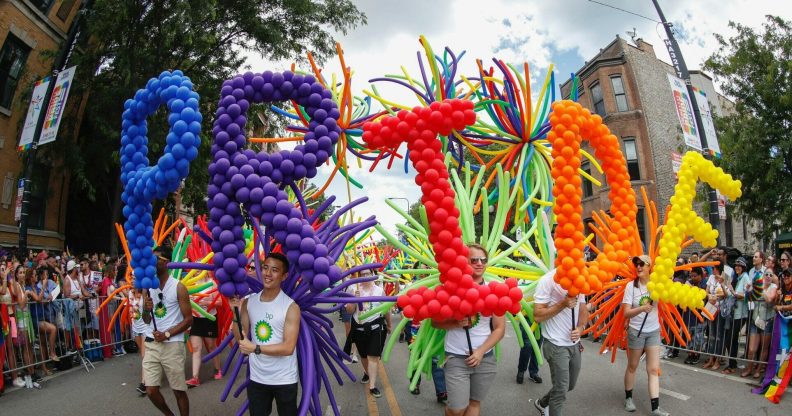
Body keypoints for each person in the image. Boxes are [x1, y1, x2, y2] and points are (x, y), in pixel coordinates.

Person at [432, 244, 504, 416]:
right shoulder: (451, 290)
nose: (479, 263)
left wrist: (480, 352)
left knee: (474, 403)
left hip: (484, 358)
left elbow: (499, 328)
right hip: (456, 357)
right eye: (474, 260)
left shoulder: (494, 291)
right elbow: (435, 322)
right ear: (464, 262)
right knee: (456, 409)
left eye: (483, 260)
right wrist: (456, 323)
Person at [229, 253, 300, 416]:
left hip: (284, 379)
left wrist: (255, 348)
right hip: (257, 379)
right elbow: (241, 337)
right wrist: (235, 312)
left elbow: (288, 347)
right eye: (265, 268)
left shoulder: (290, 307)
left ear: (284, 276)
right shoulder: (249, 302)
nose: (268, 274)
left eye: (274, 270)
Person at [142, 248, 193, 416]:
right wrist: (145, 309)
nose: (152, 261)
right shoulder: (147, 288)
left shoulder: (178, 287)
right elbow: (146, 320)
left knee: (178, 390)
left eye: (156, 258)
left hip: (173, 344)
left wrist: (167, 334)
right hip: (151, 343)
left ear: (166, 262)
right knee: (151, 390)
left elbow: (188, 320)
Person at [532, 267, 587, 416]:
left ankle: (542, 403)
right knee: (561, 391)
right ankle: (549, 410)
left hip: (574, 345)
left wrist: (581, 328)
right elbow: (537, 315)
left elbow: (583, 309)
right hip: (555, 345)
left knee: (569, 385)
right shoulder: (548, 280)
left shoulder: (579, 278)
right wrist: (562, 304)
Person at [621, 255, 668, 416]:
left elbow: (669, 295)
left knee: (653, 369)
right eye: (636, 264)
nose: (638, 267)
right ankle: (628, 398)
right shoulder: (630, 287)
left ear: (650, 267)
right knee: (633, 366)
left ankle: (655, 408)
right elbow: (626, 313)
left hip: (653, 331)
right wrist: (642, 309)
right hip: (636, 332)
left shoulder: (656, 285)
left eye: (642, 264)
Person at [344, 267, 392, 398]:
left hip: (375, 327)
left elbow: (386, 308)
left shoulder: (379, 290)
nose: (365, 276)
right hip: (359, 329)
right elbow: (348, 311)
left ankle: (372, 386)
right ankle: (367, 372)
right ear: (359, 276)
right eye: (363, 274)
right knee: (364, 356)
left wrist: (389, 324)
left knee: (373, 356)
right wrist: (354, 299)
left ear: (373, 275)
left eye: (368, 274)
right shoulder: (354, 289)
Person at [185, 274, 222, 387]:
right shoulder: (191, 284)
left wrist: (207, 303)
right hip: (195, 319)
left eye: (200, 269)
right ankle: (195, 378)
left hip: (209, 319)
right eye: (196, 270)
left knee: (211, 346)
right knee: (196, 348)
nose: (197, 272)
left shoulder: (211, 283)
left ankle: (217, 369)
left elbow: (219, 302)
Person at [743, 265, 777, 378]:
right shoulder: (758, 285)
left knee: (763, 348)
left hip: (767, 321)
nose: (767, 276)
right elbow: (749, 298)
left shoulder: (774, 287)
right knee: (752, 349)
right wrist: (748, 290)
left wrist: (760, 288)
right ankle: (749, 368)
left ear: (772, 278)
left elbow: (769, 299)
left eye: (770, 275)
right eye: (766, 274)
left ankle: (758, 369)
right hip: (755, 320)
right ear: (763, 275)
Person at [63, 260, 91, 352]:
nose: (79, 269)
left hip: (81, 308)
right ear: (73, 269)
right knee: (75, 330)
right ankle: (75, 349)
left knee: (81, 328)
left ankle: (80, 349)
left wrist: (91, 295)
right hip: (73, 310)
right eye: (77, 267)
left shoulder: (77, 278)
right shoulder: (67, 280)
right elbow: (67, 296)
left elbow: (83, 291)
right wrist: (77, 296)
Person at [683, 267, 707, 364]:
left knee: (697, 336)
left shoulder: (705, 284)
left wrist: (693, 288)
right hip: (689, 314)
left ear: (700, 275)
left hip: (700, 315)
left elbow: (704, 294)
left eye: (695, 276)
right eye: (691, 276)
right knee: (689, 335)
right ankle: (690, 354)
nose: (693, 278)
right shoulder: (689, 282)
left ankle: (696, 355)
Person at [128, 277, 148, 395]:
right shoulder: (130, 293)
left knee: (144, 355)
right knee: (143, 355)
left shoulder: (145, 292)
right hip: (135, 328)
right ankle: (153, 373)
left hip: (145, 327)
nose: (132, 280)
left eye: (135, 278)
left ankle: (144, 383)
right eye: (131, 278)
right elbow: (131, 309)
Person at [516, 318, 543, 384]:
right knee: (527, 345)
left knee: (537, 347)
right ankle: (521, 370)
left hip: (541, 322)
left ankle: (533, 372)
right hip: (526, 321)